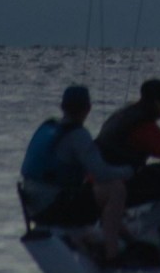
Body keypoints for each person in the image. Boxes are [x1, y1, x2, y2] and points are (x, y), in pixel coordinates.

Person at [19, 83, 128, 263]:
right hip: (54, 208)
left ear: (62, 107)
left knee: (95, 189)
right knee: (116, 188)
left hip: (34, 208)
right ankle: (113, 257)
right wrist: (129, 171)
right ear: (88, 108)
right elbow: (102, 173)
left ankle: (124, 236)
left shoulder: (48, 127)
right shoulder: (78, 135)